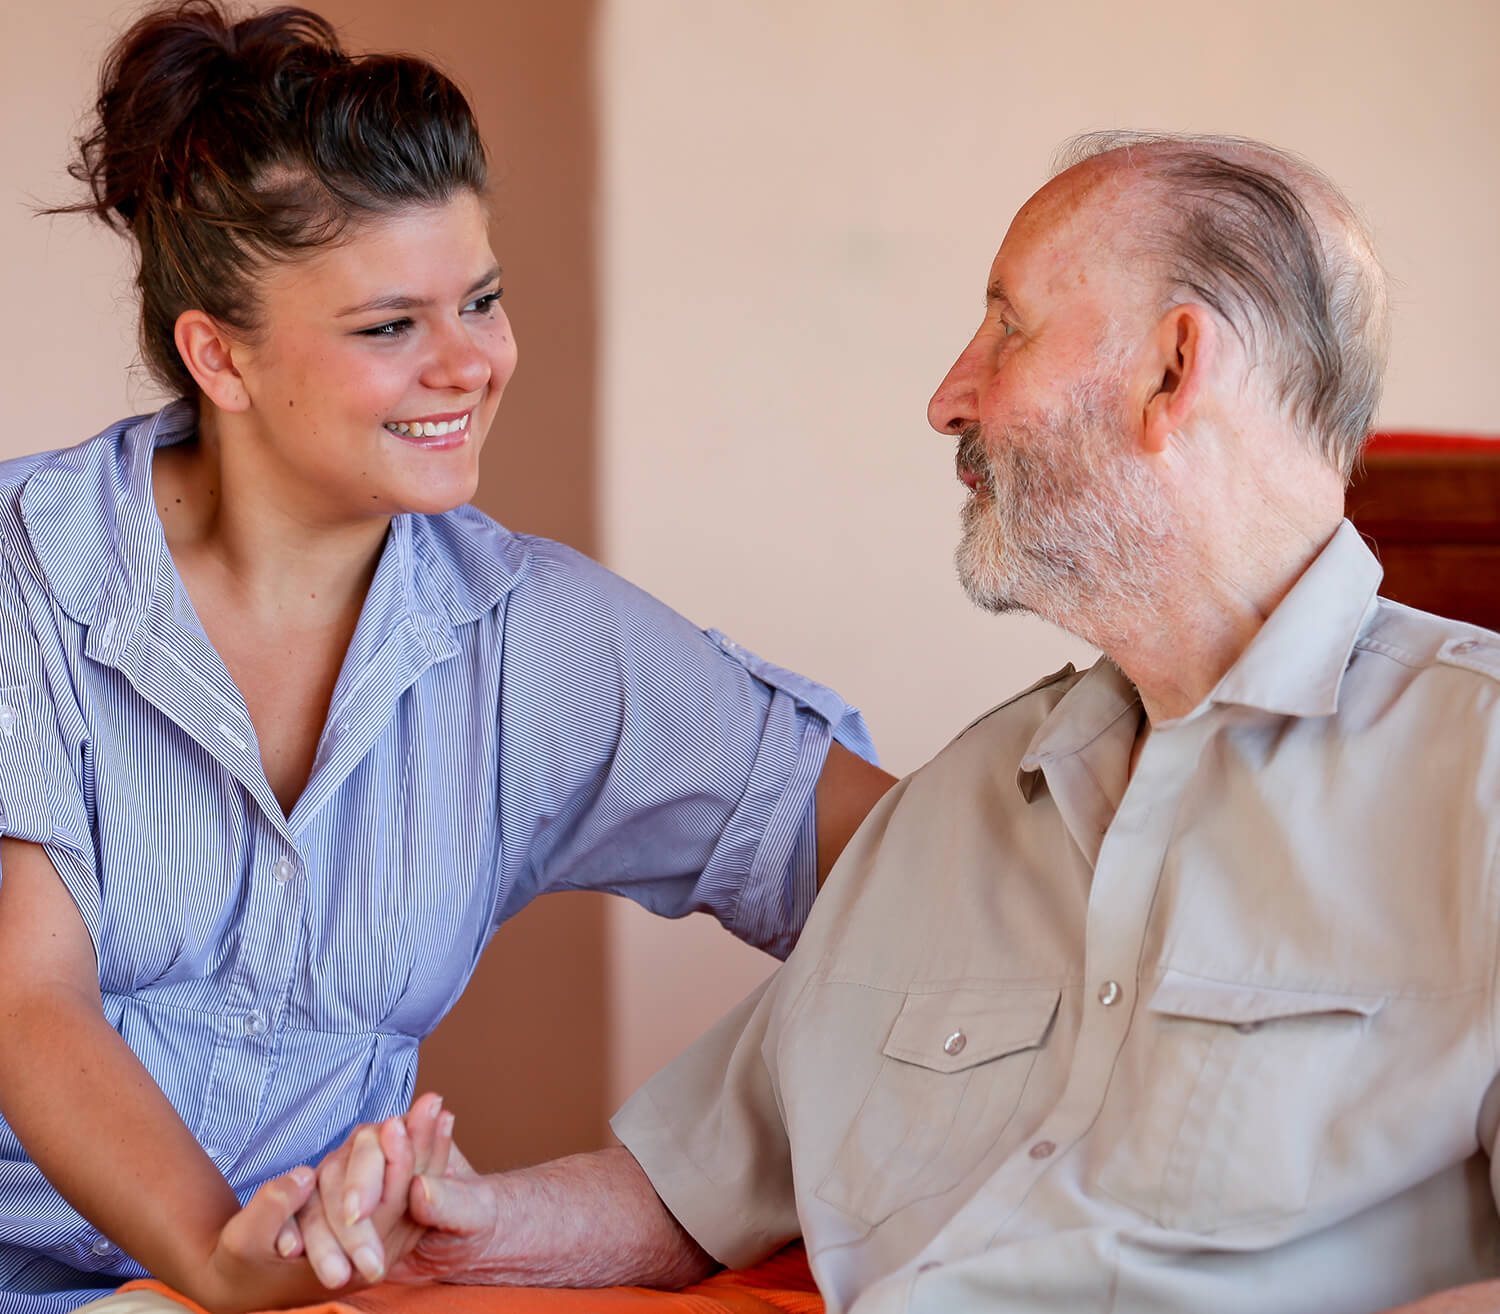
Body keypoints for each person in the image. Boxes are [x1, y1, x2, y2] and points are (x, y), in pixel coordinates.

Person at [172, 131, 1500, 1314]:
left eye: (1009, 328)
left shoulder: (1476, 772)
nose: (949, 395)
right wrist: (457, 1221)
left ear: (1174, 367)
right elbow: (684, 1192)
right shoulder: (968, 803)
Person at [0, 2, 896, 1311]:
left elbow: (909, 869)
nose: (473, 362)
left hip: (302, 1296)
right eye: (390, 327)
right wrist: (214, 1254)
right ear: (220, 356)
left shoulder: (529, 636)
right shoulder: (28, 577)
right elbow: (31, 995)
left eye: (480, 298)